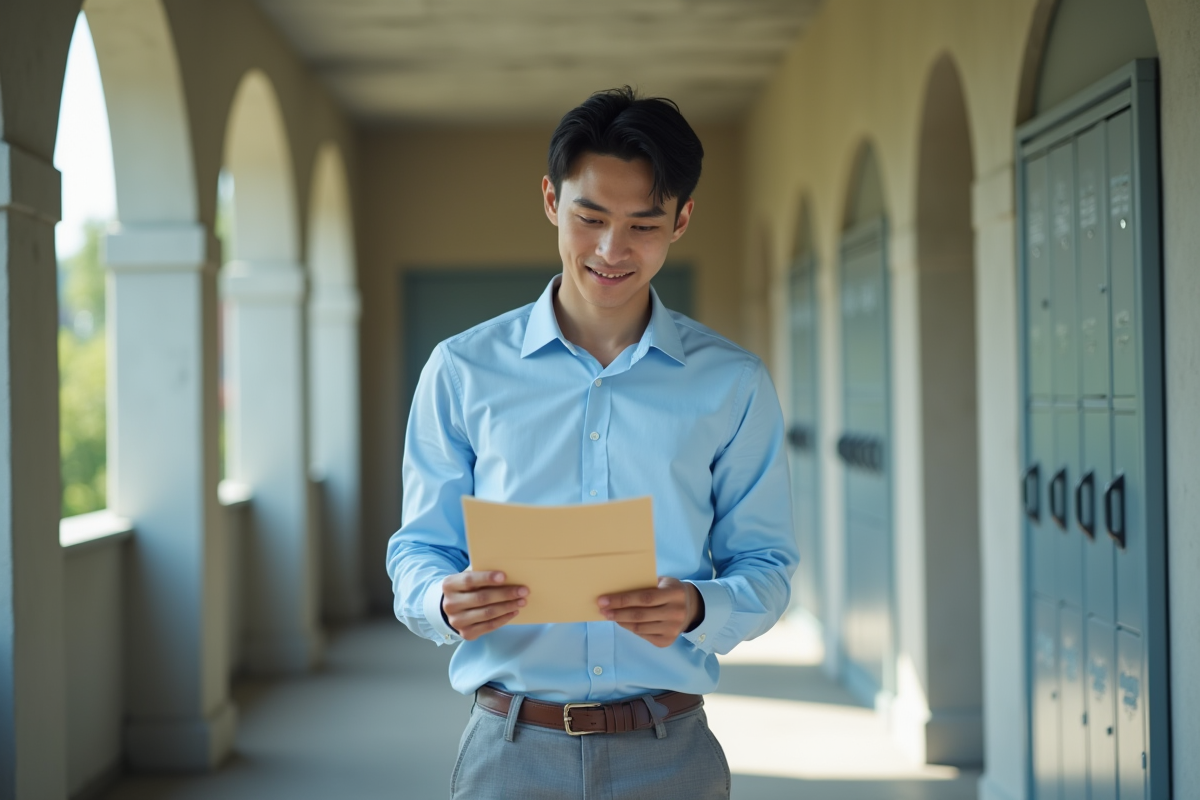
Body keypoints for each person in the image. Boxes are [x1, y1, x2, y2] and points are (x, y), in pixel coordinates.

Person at [387, 86, 797, 800]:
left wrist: (699, 607)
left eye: (643, 224)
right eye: (591, 217)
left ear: (682, 219)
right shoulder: (461, 371)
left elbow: (766, 565)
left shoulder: (732, 384)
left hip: (672, 756)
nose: (612, 250)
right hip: (508, 753)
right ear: (551, 200)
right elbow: (418, 549)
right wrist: (441, 600)